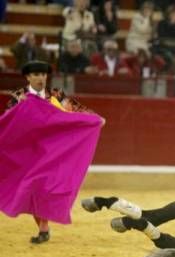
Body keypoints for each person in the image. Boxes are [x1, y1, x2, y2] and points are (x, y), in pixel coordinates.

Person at [2, 60, 104, 244]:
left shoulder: (56, 94)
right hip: (28, 150)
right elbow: (8, 121)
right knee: (32, 187)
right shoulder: (19, 97)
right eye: (36, 75)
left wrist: (95, 119)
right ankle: (43, 227)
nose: (41, 78)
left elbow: (76, 110)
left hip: (53, 150)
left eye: (43, 74)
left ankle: (44, 228)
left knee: (43, 185)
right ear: (28, 77)